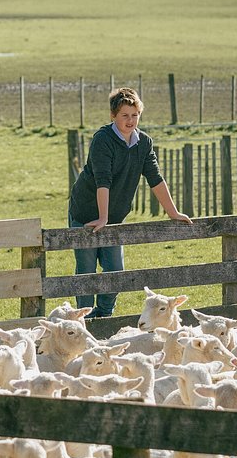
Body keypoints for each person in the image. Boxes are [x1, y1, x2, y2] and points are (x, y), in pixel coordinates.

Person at [68, 87, 191, 318]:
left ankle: (103, 314)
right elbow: (102, 179)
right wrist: (101, 217)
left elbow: (155, 177)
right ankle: (81, 319)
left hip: (114, 216)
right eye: (125, 115)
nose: (130, 120)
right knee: (86, 270)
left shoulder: (143, 143)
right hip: (85, 211)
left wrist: (173, 212)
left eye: (135, 115)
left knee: (115, 269)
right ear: (113, 115)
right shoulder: (102, 140)